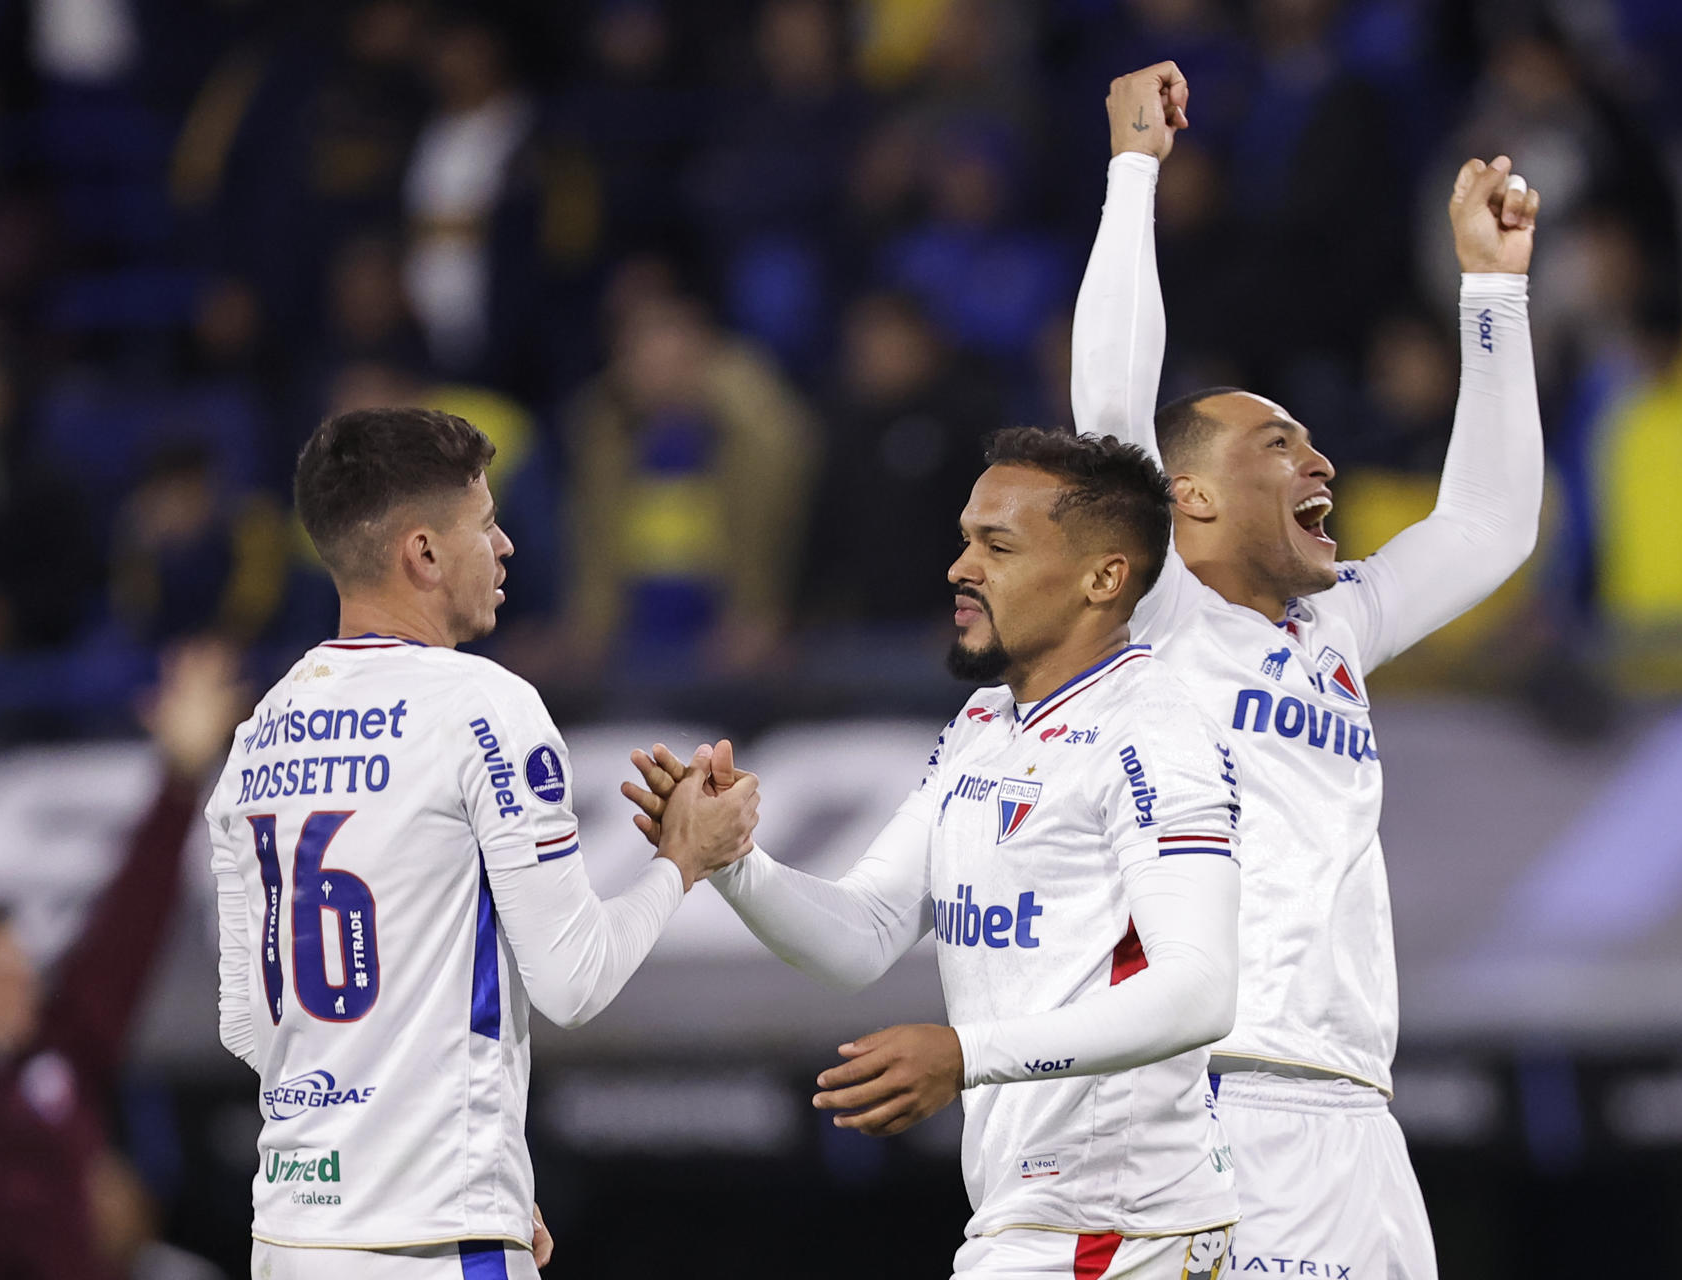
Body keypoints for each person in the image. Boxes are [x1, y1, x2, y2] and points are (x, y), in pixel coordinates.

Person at [1069, 64, 1545, 1279]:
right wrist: (1135, 171)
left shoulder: (1336, 631)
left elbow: (1490, 520)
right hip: (1205, 1103)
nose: (1319, 456)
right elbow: (1109, 402)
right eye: (1279, 442)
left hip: (1360, 1122)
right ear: (1191, 496)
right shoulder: (1153, 611)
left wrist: (1493, 290)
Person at [627, 428, 1245, 1280]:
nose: (960, 567)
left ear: (1103, 578)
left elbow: (1200, 991)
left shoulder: (1155, 736)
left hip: (1118, 1230)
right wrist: (735, 861)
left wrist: (966, 1056)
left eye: (998, 545)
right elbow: (863, 934)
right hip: (1036, 1225)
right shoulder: (982, 726)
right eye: (965, 539)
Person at [208, 407, 759, 1278]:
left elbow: (249, 1023)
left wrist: (480, 1164)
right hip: (429, 1243)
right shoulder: (484, 706)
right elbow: (574, 980)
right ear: (423, 553)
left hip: (289, 1239)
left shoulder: (257, 734)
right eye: (487, 524)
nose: (504, 548)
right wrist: (683, 860)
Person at [0, 640, 248, 1280]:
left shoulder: (64, 1048)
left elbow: (128, 932)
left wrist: (179, 778)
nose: (19, 986)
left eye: (22, 971)